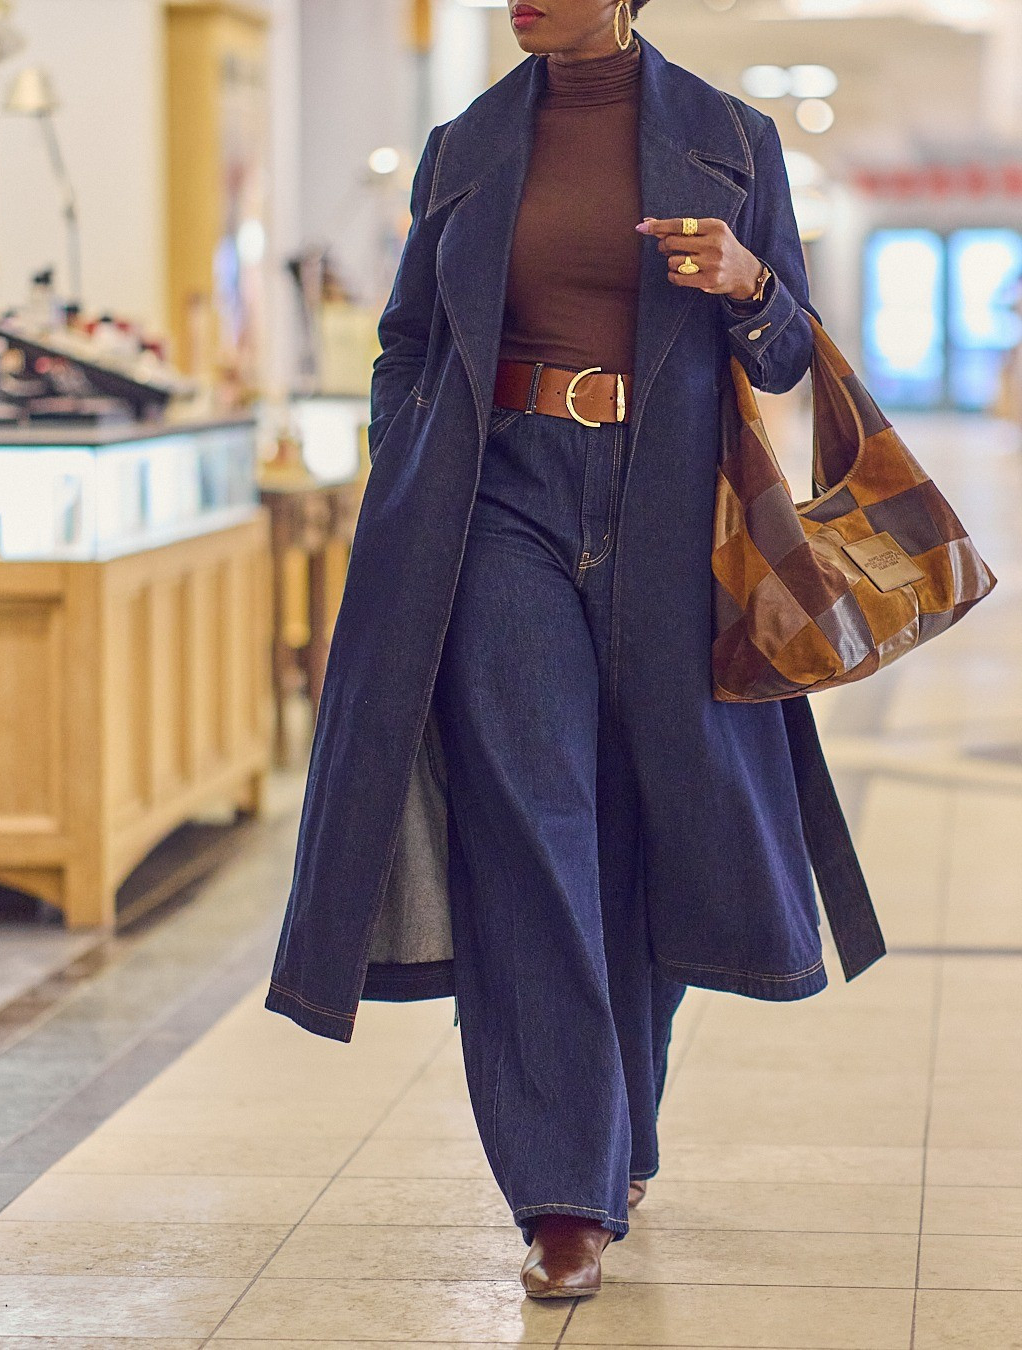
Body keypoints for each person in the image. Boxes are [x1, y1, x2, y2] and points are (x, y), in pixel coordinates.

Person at [266, 0, 884, 1299]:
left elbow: (786, 354)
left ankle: (619, 1120)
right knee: (529, 819)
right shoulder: (466, 144)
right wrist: (410, 470)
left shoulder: (731, 138)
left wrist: (749, 282)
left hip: (675, 514)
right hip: (498, 503)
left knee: (660, 820)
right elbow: (408, 342)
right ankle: (564, 1188)